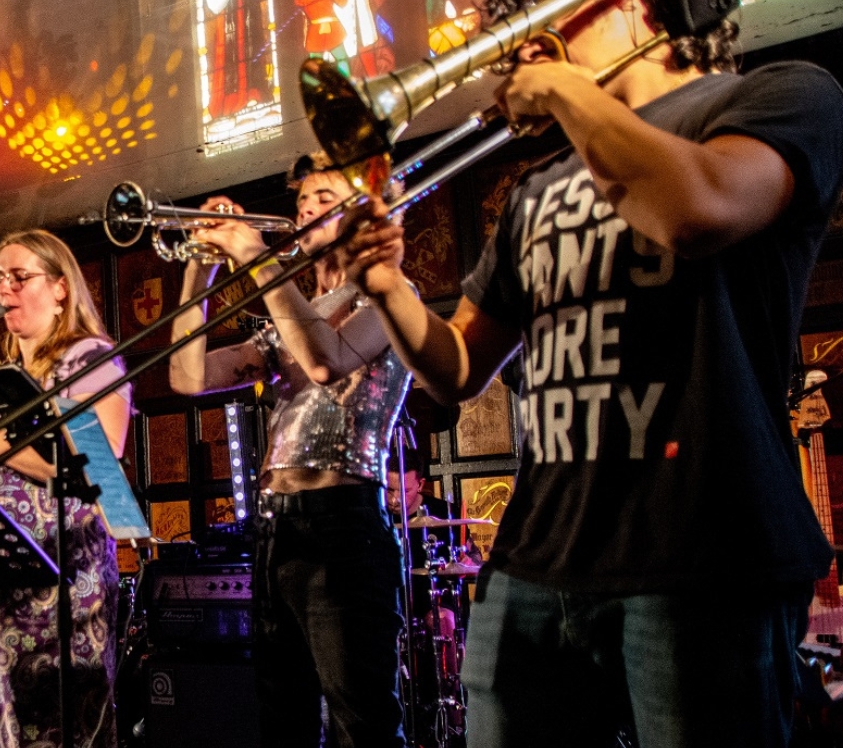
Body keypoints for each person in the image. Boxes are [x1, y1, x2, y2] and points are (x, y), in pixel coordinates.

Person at [339, 0, 843, 744]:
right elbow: (459, 369)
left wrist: (562, 92)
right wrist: (385, 283)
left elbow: (696, 206)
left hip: (701, 555)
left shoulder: (780, 96)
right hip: (536, 558)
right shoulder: (540, 188)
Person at [167, 159, 410, 748]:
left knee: (361, 724)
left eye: (321, 197)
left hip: (344, 528)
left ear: (365, 209)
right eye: (301, 202)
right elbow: (186, 377)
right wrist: (198, 272)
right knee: (283, 722)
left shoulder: (390, 297)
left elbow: (326, 361)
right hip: (277, 533)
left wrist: (256, 257)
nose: (303, 210)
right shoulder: (286, 318)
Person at [0, 229, 131, 748]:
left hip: (59, 590)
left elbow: (98, 470)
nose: (4, 289)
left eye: (20, 277)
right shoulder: (6, 377)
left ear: (61, 288)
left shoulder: (88, 359)